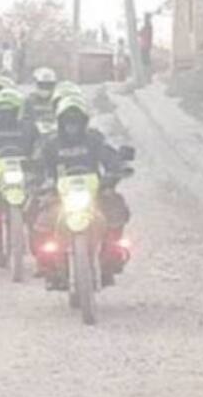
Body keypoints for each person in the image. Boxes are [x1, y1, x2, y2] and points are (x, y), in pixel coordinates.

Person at [37, 93, 133, 281]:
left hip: (94, 194)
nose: (72, 126)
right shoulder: (50, 143)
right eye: (67, 121)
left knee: (116, 207)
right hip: (60, 194)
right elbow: (40, 166)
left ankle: (112, 253)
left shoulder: (94, 139)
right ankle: (48, 262)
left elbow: (110, 157)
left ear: (84, 121)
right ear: (60, 121)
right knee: (41, 218)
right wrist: (38, 180)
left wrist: (117, 171)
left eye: (76, 121)